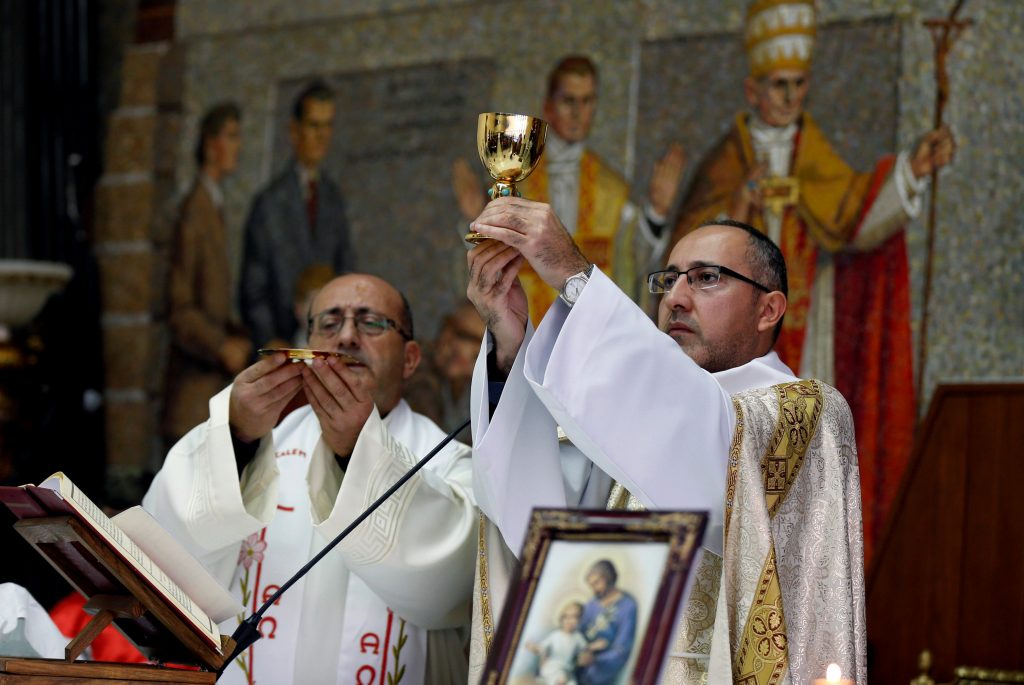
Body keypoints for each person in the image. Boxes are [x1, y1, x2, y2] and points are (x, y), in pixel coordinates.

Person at [465, 197, 865, 684]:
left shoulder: (805, 411)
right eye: (667, 279)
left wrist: (576, 277)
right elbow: (540, 529)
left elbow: (711, 454)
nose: (675, 297)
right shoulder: (629, 422)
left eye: (706, 277)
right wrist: (509, 348)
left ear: (769, 309)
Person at [668, 0, 955, 560]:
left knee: (799, 470)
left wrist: (909, 173)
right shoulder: (726, 160)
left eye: (799, 85)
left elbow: (855, 217)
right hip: (730, 345)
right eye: (778, 86)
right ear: (753, 91)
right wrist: (740, 203)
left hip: (807, 323)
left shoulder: (813, 153)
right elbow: (688, 249)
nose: (790, 97)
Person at [143, 273, 475, 684]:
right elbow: (168, 566)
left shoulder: (449, 463)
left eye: (371, 323)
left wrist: (355, 447)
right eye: (330, 324)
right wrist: (237, 437)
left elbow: (449, 589)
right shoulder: (255, 442)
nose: (348, 337)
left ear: (410, 358)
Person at [452, 55, 686, 323]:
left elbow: (631, 260)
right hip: (528, 326)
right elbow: (492, 264)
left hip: (589, 328)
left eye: (586, 101)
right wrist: (476, 221)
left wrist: (656, 212)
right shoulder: (517, 181)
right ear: (548, 106)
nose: (578, 113)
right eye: (568, 101)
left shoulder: (612, 190)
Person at [239, 80, 355, 351]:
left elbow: (346, 265)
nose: (322, 136)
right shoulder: (269, 204)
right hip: (282, 346)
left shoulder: (333, 198)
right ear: (295, 131)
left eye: (328, 126)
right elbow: (253, 287)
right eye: (315, 126)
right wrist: (269, 340)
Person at [163, 102, 252, 445]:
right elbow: (180, 308)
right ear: (209, 144)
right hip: (192, 394)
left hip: (213, 392)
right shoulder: (193, 212)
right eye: (231, 136)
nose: (237, 146)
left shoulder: (213, 207)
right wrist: (221, 345)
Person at [404, 300, 486, 444]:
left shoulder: (476, 385)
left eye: (479, 343)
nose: (455, 345)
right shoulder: (416, 368)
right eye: (461, 335)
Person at [576, 560, 637, 685]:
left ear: (609, 578)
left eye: (597, 583)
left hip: (603, 667)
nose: (594, 589)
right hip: (581, 658)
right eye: (591, 585)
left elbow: (622, 649)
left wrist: (595, 660)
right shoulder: (591, 605)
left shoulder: (628, 606)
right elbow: (578, 633)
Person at [525, 601, 589, 685]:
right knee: (559, 680)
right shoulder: (555, 635)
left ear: (579, 620)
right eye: (566, 617)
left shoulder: (578, 637)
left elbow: (585, 649)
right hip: (552, 668)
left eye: (574, 617)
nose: (569, 621)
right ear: (561, 619)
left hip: (567, 671)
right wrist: (534, 647)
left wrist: (590, 650)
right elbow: (542, 648)